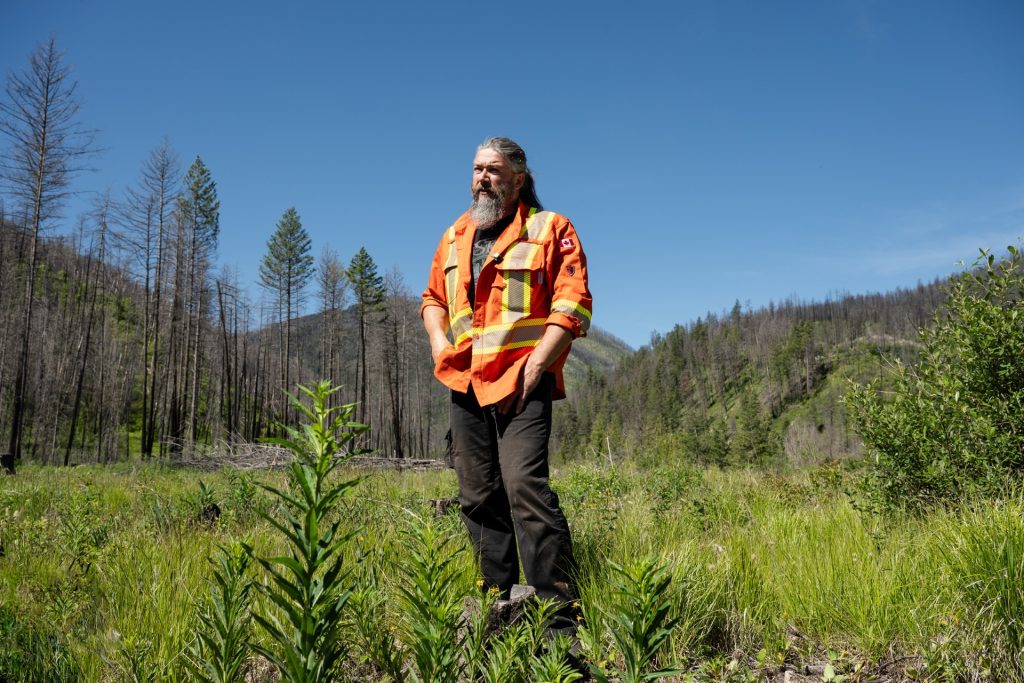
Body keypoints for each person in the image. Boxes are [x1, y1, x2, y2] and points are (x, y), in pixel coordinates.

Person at [421, 137, 592, 631]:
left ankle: (558, 621)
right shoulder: (455, 234)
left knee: (524, 488)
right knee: (476, 493)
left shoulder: (550, 228)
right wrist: (437, 343)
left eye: (493, 170)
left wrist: (538, 365)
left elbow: (573, 303)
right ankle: (499, 610)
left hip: (523, 382)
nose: (482, 178)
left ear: (518, 178)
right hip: (465, 381)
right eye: (476, 169)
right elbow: (433, 296)